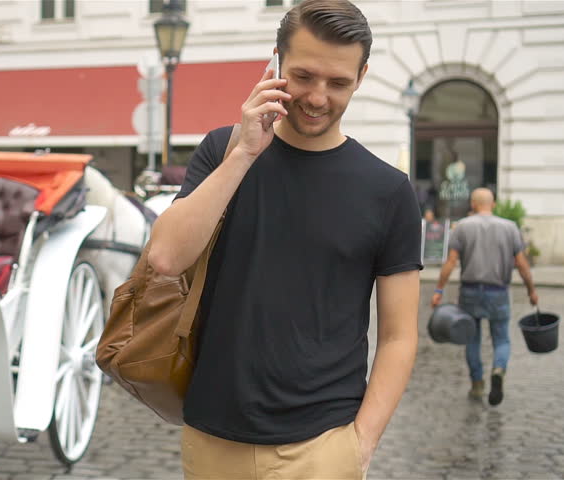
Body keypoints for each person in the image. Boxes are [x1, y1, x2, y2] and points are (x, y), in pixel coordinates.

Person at [147, 1, 423, 478]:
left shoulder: (388, 191)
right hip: (213, 437)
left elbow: (399, 335)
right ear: (276, 61)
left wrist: (362, 443)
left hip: (324, 446)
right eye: (304, 76)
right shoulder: (222, 150)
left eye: (338, 82)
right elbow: (167, 257)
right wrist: (244, 152)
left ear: (361, 77)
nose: (317, 97)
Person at [431, 188, 538, 406]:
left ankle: (477, 384)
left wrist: (439, 290)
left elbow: (450, 262)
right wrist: (531, 290)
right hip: (498, 292)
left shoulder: (462, 227)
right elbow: (522, 264)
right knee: (501, 338)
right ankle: (498, 369)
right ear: (494, 204)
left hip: (470, 291)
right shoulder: (510, 228)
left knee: (471, 338)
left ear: (473, 203)